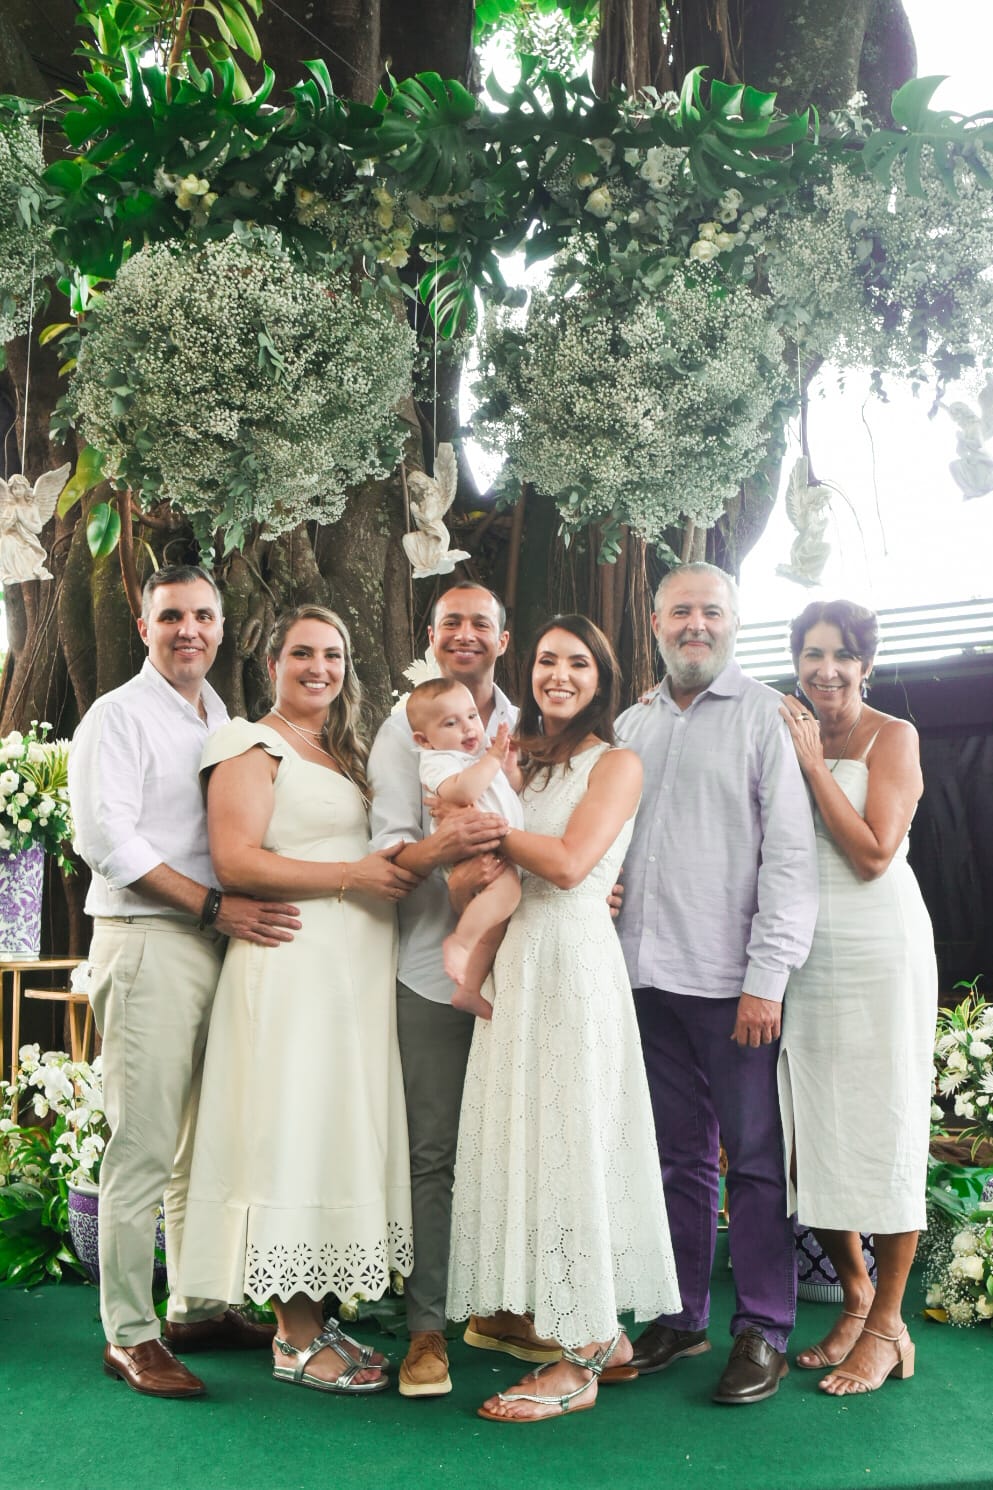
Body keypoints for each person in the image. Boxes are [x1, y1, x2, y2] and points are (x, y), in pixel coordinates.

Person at [69, 564, 301, 1400]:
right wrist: (212, 905)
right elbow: (106, 841)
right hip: (149, 939)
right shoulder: (118, 716)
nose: (189, 630)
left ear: (223, 624)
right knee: (140, 1142)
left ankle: (197, 1306)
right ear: (143, 627)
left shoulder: (220, 719)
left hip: (212, 941)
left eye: (203, 615)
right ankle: (129, 1334)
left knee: (199, 1139)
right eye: (172, 617)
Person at [176, 605, 417, 1394]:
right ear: (271, 659)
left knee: (329, 1127)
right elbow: (235, 858)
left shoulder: (342, 752)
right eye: (303, 653)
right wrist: (349, 877)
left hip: (349, 979)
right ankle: (291, 1334)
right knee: (289, 1125)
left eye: (334, 654)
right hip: (291, 969)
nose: (320, 667)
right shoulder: (249, 742)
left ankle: (319, 1316)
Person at [447, 614, 680, 1422]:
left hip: (574, 968)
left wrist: (497, 835)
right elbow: (480, 867)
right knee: (532, 1139)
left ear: (599, 678)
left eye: (576, 663)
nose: (558, 675)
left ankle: (574, 1359)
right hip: (519, 963)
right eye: (546, 661)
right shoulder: (524, 765)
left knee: (573, 1140)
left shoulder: (615, 762)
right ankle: (602, 1338)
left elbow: (575, 863)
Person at [615, 561, 818, 1405]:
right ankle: (681, 1314)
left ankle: (763, 1327)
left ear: (733, 622)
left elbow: (791, 858)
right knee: (674, 1157)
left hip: (733, 984)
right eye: (679, 612)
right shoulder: (629, 724)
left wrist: (766, 978)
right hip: (641, 976)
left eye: (711, 611)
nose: (694, 624)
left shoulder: (769, 718)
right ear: (654, 622)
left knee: (757, 1162)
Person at [368, 584, 559, 1398]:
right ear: (433, 635)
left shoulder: (534, 715)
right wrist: (445, 853)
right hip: (429, 970)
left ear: (503, 639)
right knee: (434, 1155)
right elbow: (385, 857)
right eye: (452, 622)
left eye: (481, 622)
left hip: (528, 968)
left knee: (515, 1145)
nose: (466, 635)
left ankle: (502, 1307)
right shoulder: (405, 728)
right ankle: (425, 1331)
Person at [778, 599, 937, 1396]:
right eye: (811, 654)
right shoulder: (786, 727)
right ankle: (854, 1295)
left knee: (887, 1124)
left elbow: (875, 852)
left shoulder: (892, 736)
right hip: (805, 956)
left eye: (841, 655)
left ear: (865, 664)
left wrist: (811, 764)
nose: (825, 669)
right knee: (811, 1132)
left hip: (879, 950)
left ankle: (888, 1325)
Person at [406, 677, 524, 1019]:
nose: (468, 728)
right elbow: (462, 793)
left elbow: (510, 789)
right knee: (508, 894)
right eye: (451, 723)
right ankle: (460, 941)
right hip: (473, 848)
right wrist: (492, 757)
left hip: (495, 847)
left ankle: (469, 988)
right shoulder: (438, 759)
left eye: (472, 716)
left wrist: (509, 768)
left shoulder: (476, 756)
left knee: (498, 921)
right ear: (423, 739)